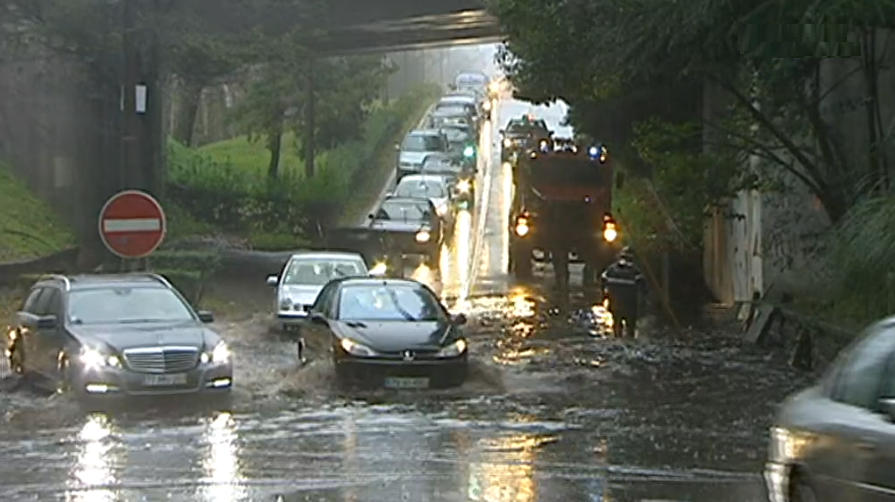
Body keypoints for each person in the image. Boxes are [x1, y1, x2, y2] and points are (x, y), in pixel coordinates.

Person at [601, 246, 644, 337]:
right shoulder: (635, 271)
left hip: (615, 305)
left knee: (617, 327)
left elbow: (603, 281)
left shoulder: (610, 269)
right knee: (630, 329)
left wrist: (604, 296)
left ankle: (618, 341)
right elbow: (643, 287)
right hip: (630, 306)